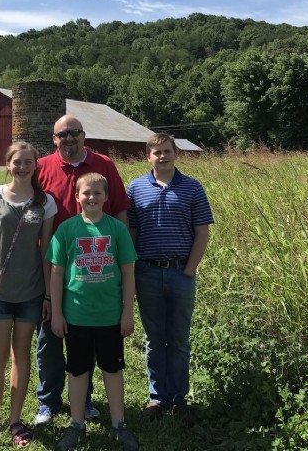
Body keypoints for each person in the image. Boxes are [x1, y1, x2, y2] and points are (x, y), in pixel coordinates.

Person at [34, 115, 131, 425]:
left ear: (83, 135)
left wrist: (119, 256)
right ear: (54, 139)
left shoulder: (104, 164)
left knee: (85, 336)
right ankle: (48, 401)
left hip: (94, 266)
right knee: (49, 334)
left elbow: (120, 210)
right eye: (62, 134)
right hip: (52, 263)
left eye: (74, 132)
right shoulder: (43, 167)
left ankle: (85, 399)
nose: (69, 138)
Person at [0, 142, 57, 447]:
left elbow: (46, 250)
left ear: (36, 165)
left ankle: (15, 422)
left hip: (31, 292)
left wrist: (47, 295)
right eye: (17, 162)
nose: (22, 167)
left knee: (22, 355)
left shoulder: (46, 203)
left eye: (28, 162)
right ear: (8, 164)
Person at [126, 133, 214, 425]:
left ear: (176, 153)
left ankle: (178, 399)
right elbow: (132, 234)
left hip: (180, 272)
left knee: (178, 339)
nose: (162, 156)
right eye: (156, 152)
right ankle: (156, 397)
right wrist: (133, 271)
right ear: (148, 156)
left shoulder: (192, 188)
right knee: (153, 339)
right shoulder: (136, 188)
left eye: (167, 151)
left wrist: (189, 270)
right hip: (147, 272)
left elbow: (202, 232)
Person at [48, 172, 139, 451]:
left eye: (97, 193)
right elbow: (56, 272)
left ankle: (118, 423)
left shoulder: (117, 229)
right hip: (76, 315)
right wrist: (57, 313)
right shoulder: (66, 230)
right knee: (77, 370)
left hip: (110, 316)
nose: (91, 197)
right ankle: (76, 423)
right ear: (76, 197)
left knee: (112, 368)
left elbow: (127, 272)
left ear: (106, 197)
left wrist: (127, 312)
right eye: (86, 193)